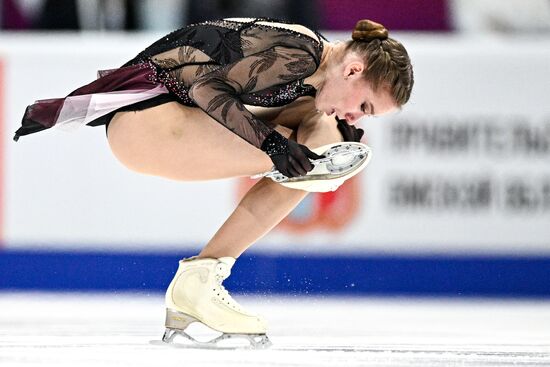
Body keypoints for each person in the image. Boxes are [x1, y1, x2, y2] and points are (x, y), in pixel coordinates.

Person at [13, 17, 413, 348]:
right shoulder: (300, 54)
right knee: (312, 156)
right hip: (146, 124)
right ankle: (198, 281)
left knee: (319, 142)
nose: (358, 116)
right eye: (364, 106)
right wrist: (272, 144)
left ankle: (200, 282)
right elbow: (206, 87)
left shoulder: (316, 69)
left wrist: (335, 136)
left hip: (161, 123)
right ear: (354, 69)